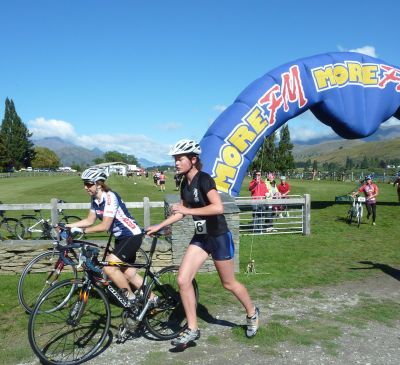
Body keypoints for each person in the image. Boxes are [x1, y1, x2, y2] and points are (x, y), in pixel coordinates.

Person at [146, 139, 259, 347]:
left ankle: (252, 313)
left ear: (193, 159)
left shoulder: (204, 179)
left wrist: (189, 211)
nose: (176, 163)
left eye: (180, 159)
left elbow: (218, 208)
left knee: (228, 284)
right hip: (201, 237)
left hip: (218, 236)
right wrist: (159, 225)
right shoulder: (184, 184)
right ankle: (192, 328)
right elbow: (180, 211)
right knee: (182, 280)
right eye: (175, 159)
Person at [66, 167, 157, 305]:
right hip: (121, 238)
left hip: (131, 235)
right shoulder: (95, 199)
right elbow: (89, 220)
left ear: (99, 184)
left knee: (109, 268)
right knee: (127, 272)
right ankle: (153, 299)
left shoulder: (109, 197)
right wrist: (68, 226)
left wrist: (83, 231)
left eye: (89, 184)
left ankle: (130, 300)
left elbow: (105, 226)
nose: (86, 187)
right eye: (84, 184)